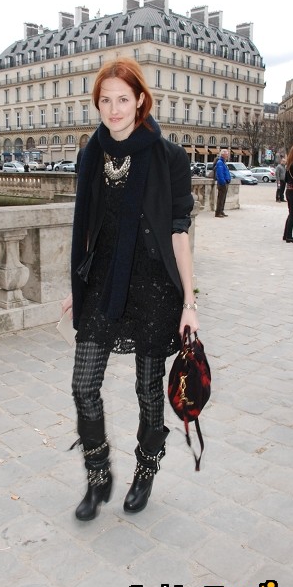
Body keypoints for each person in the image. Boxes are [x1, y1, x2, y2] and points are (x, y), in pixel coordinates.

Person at [61, 57, 198, 521]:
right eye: (106, 100)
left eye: (123, 99)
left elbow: (179, 232)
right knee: (83, 385)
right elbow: (89, 229)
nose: (114, 109)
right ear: (96, 104)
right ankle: (97, 475)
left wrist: (189, 303)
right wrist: (79, 287)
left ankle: (145, 470)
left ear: (141, 99)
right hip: (105, 285)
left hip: (154, 289)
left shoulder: (169, 157)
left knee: (148, 390)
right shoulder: (91, 154)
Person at [214, 149, 231, 217]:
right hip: (222, 183)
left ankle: (221, 211)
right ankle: (218, 212)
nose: (227, 156)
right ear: (223, 155)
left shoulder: (223, 162)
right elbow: (220, 173)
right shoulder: (220, 162)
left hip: (225, 182)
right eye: (226, 154)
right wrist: (223, 182)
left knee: (223, 198)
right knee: (221, 198)